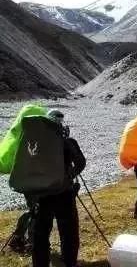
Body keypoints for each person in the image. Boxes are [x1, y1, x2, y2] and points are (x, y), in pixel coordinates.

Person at [31, 109, 86, 267]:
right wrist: (69, 176)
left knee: (40, 233)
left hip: (42, 194)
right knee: (69, 233)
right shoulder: (68, 142)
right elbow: (81, 163)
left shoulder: (36, 142)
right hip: (64, 194)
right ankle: (69, 263)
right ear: (61, 124)